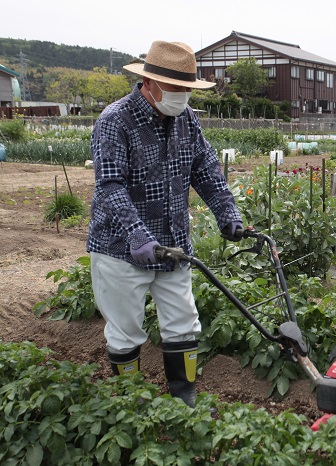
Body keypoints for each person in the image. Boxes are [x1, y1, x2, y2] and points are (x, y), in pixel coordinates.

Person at [88, 40, 243, 407]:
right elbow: (110, 186)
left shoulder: (187, 119)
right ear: (150, 83)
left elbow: (206, 170)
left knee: (183, 324)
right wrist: (137, 235)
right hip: (121, 250)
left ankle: (183, 404)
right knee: (126, 332)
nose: (183, 96)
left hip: (173, 247)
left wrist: (228, 214)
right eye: (176, 88)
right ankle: (130, 406)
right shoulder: (115, 121)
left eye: (187, 89)